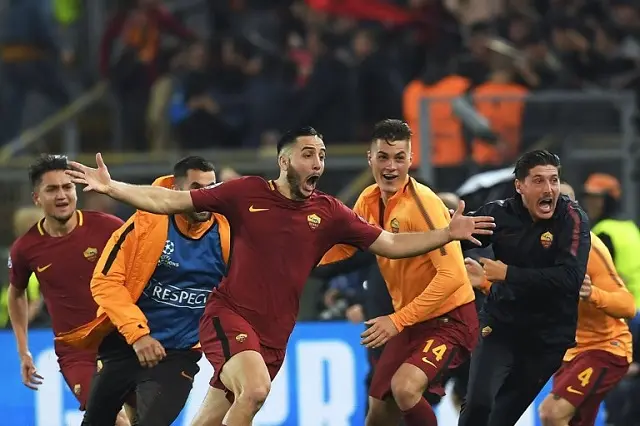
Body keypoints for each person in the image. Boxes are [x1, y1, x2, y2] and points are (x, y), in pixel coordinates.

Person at [66, 126, 495, 426]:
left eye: (322, 155)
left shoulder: (330, 212)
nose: (317, 162)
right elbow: (169, 200)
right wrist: (114, 188)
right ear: (284, 159)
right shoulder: (246, 192)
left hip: (275, 335)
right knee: (254, 391)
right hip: (230, 316)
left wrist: (446, 234)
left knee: (213, 417)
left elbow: (390, 243)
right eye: (308, 154)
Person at [320, 119, 478, 426]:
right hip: (411, 320)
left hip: (450, 319)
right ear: (370, 158)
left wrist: (397, 320)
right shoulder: (368, 199)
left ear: (410, 159)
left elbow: (453, 277)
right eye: (383, 157)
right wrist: (298, 258)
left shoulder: (424, 205)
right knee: (378, 415)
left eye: (399, 158)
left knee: (405, 389)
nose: (391, 166)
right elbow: (347, 249)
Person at [56, 156, 232, 426]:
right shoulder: (144, 226)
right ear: (176, 191)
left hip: (178, 354)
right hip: (126, 345)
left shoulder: (228, 232)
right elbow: (105, 282)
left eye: (211, 188)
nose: (204, 196)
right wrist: (139, 335)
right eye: (196, 188)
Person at [465, 181, 635, 426]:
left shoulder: (590, 248)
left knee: (551, 412)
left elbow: (627, 306)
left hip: (603, 348)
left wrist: (593, 294)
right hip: (564, 350)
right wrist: (485, 283)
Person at [457, 150, 591, 426]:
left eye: (554, 180)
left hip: (548, 338)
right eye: (539, 180)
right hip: (500, 326)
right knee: (478, 404)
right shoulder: (498, 214)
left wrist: (508, 274)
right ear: (519, 186)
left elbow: (570, 279)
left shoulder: (572, 219)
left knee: (501, 418)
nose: (549, 189)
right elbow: (454, 239)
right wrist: (447, 231)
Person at [7, 154, 130, 425]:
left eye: (67, 187)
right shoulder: (26, 248)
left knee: (138, 417)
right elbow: (16, 293)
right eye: (52, 189)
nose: (62, 195)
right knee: (113, 418)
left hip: (122, 336)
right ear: (37, 198)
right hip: (76, 350)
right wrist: (24, 351)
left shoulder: (108, 227)